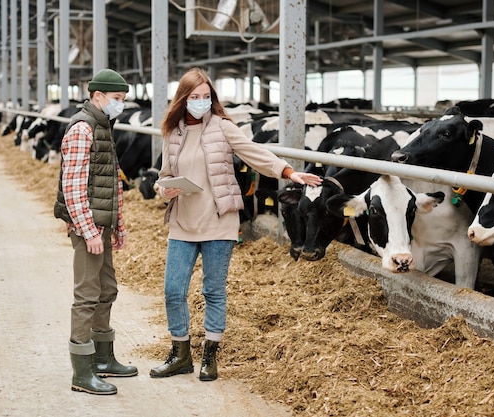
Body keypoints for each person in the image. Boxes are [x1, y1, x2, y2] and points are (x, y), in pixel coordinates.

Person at [150, 67, 322, 382]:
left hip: (219, 222)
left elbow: (256, 154)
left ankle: (210, 356)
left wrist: (289, 173)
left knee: (213, 291)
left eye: (206, 97)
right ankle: (180, 354)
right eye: (194, 97)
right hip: (182, 223)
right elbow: (161, 178)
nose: (201, 102)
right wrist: (163, 189)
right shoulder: (172, 133)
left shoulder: (222, 128)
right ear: (183, 99)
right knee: (173, 290)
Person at [54, 68, 138, 395]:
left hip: (101, 224)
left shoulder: (104, 125)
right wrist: (89, 231)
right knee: (86, 294)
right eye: (117, 99)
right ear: (98, 96)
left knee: (107, 288)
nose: (121, 105)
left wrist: (117, 226)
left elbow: (110, 182)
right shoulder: (83, 128)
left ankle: (104, 359)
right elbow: (73, 187)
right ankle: (82, 371)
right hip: (88, 225)